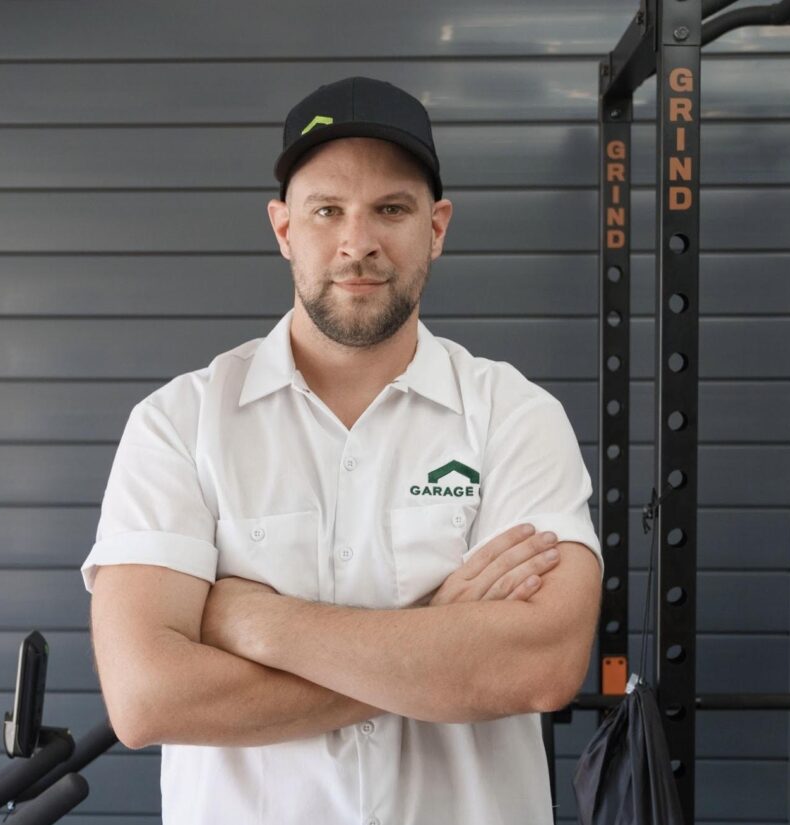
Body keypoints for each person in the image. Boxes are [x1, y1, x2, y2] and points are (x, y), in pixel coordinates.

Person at [81, 75, 603, 825]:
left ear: (438, 226)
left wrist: (255, 623)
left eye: (391, 208)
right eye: (328, 210)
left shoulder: (513, 416)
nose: (358, 242)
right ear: (285, 227)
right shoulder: (179, 423)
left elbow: (541, 664)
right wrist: (437, 638)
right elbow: (147, 697)